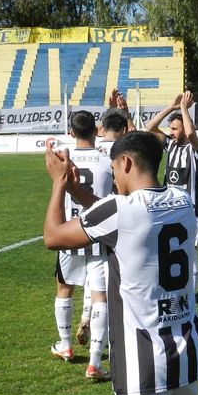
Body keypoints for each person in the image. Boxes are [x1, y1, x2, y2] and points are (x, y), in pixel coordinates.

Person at [44, 131, 198, 395]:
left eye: (114, 168)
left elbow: (53, 236)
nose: (114, 177)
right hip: (186, 351)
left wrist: (59, 185)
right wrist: (77, 191)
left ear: (126, 162)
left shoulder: (120, 211)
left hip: (142, 361)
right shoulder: (183, 202)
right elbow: (115, 216)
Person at [49, 110, 114, 381]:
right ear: (96, 130)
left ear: (72, 133)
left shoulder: (64, 161)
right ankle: (95, 362)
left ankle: (65, 345)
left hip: (69, 233)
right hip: (98, 234)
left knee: (64, 288)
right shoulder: (107, 159)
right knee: (101, 297)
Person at [75, 105, 130, 347]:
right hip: (113, 220)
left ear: (101, 128)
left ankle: (84, 317)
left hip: (78, 221)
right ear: (125, 128)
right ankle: (98, 351)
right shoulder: (121, 152)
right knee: (105, 286)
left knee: (90, 277)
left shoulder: (93, 149)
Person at [145, 91, 198, 291]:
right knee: (168, 249)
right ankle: (176, 288)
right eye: (170, 128)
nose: (171, 132)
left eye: (175, 128)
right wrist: (171, 107)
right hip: (168, 208)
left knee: (190, 252)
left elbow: (190, 134)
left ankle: (193, 297)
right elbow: (150, 128)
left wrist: (184, 108)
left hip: (189, 209)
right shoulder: (170, 145)